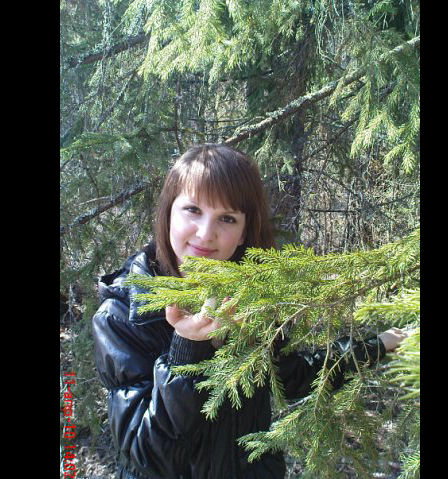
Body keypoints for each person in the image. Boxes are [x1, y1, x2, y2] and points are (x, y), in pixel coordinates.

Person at [92, 143, 407, 479]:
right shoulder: (123, 314)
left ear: (243, 232)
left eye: (227, 218)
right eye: (193, 210)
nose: (205, 233)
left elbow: (292, 377)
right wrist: (186, 351)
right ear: (168, 212)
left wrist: (378, 345)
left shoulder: (252, 299)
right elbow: (146, 457)